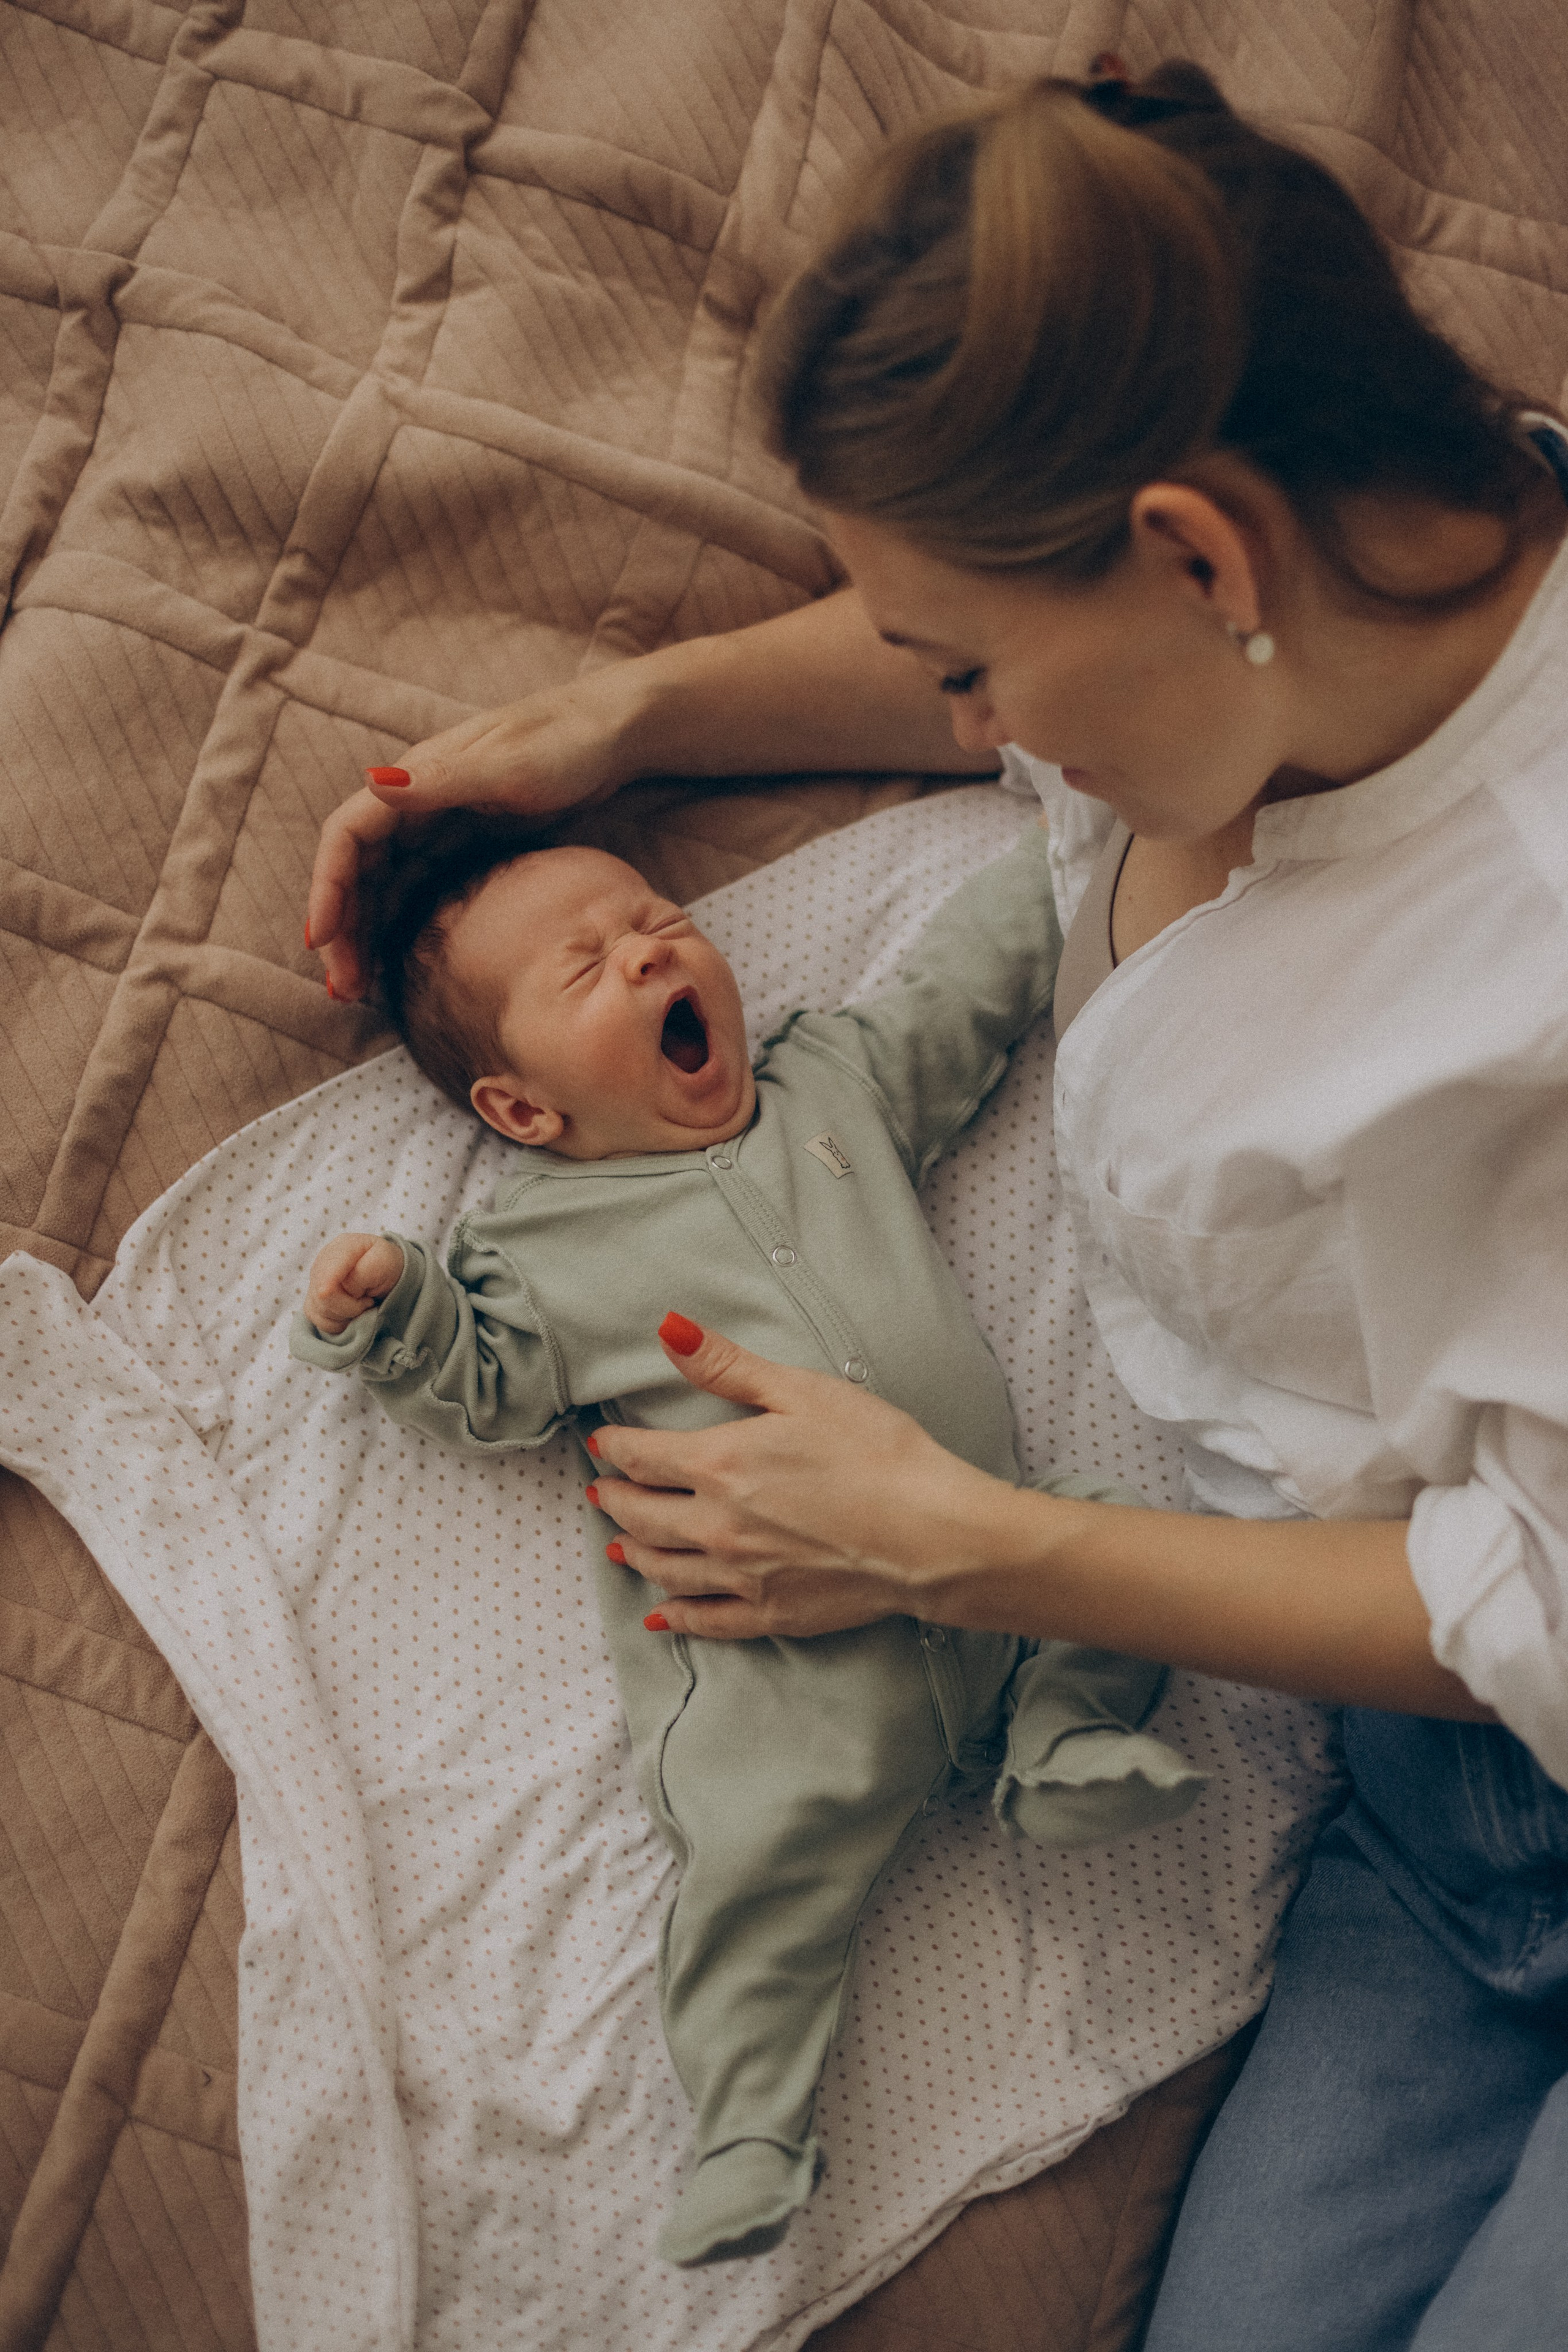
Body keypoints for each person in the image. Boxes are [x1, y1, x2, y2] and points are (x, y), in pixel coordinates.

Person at [306, 59, 1568, 2352]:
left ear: (1200, 556)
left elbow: (1545, 1601)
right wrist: (633, 720)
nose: (966, 724)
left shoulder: (1522, 972)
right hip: (1437, 1817)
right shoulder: (1367, 552)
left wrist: (962, 1544)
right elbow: (1009, 660)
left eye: (967, 666)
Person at [290, 813, 1202, 2266]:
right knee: (753, 1890)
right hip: (790, 1691)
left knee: (1134, 1544)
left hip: (1004, 1577)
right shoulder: (538, 1252)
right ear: (521, 1109)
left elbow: (954, 998)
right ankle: (746, 2131)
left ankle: (1058, 1739)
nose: (647, 951)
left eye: (655, 919)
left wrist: (1071, 849)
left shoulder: (830, 1086)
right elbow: (488, 1387)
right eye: (586, 966)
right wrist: (395, 1311)